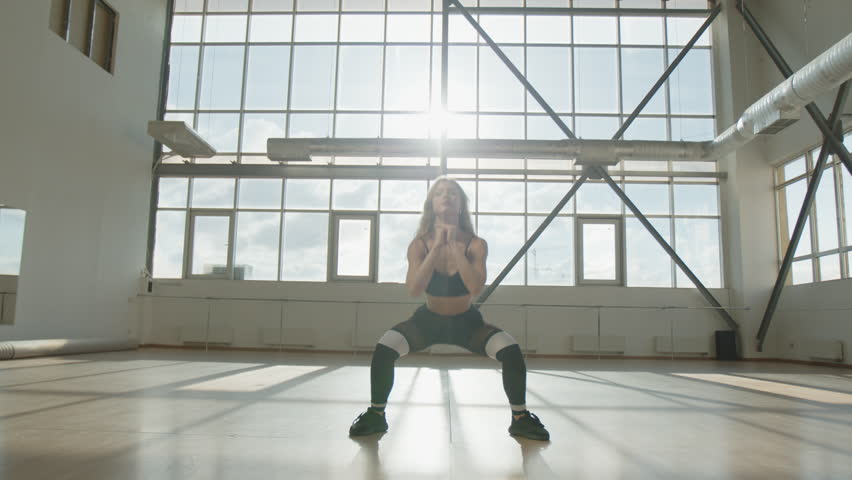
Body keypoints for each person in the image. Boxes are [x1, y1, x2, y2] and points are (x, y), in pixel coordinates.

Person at [348, 176, 550, 441]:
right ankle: (376, 415)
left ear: (461, 204)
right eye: (440, 193)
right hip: (427, 323)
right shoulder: (418, 245)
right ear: (432, 204)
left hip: (467, 324)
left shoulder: (476, 244)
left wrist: (455, 248)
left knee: (510, 350)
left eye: (453, 193)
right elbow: (414, 289)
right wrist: (436, 249)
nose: (447, 196)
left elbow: (475, 287)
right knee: (385, 348)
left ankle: (520, 418)